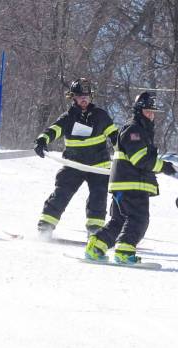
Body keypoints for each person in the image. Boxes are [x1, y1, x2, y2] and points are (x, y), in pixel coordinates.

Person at [84, 91, 177, 264]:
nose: (151, 115)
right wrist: (163, 166)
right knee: (138, 219)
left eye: (152, 112)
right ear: (138, 110)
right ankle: (124, 253)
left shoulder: (141, 129)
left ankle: (95, 247)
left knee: (118, 222)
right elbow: (139, 158)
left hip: (127, 185)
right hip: (131, 185)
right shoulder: (134, 129)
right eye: (147, 111)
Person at [33, 78, 118, 237]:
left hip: (99, 167)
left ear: (91, 96)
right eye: (80, 96)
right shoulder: (68, 117)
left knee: (98, 200)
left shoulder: (101, 116)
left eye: (86, 96)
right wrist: (42, 140)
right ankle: (45, 228)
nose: (83, 99)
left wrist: (124, 156)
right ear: (73, 97)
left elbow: (116, 138)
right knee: (61, 194)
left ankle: (95, 233)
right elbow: (54, 130)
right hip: (73, 165)